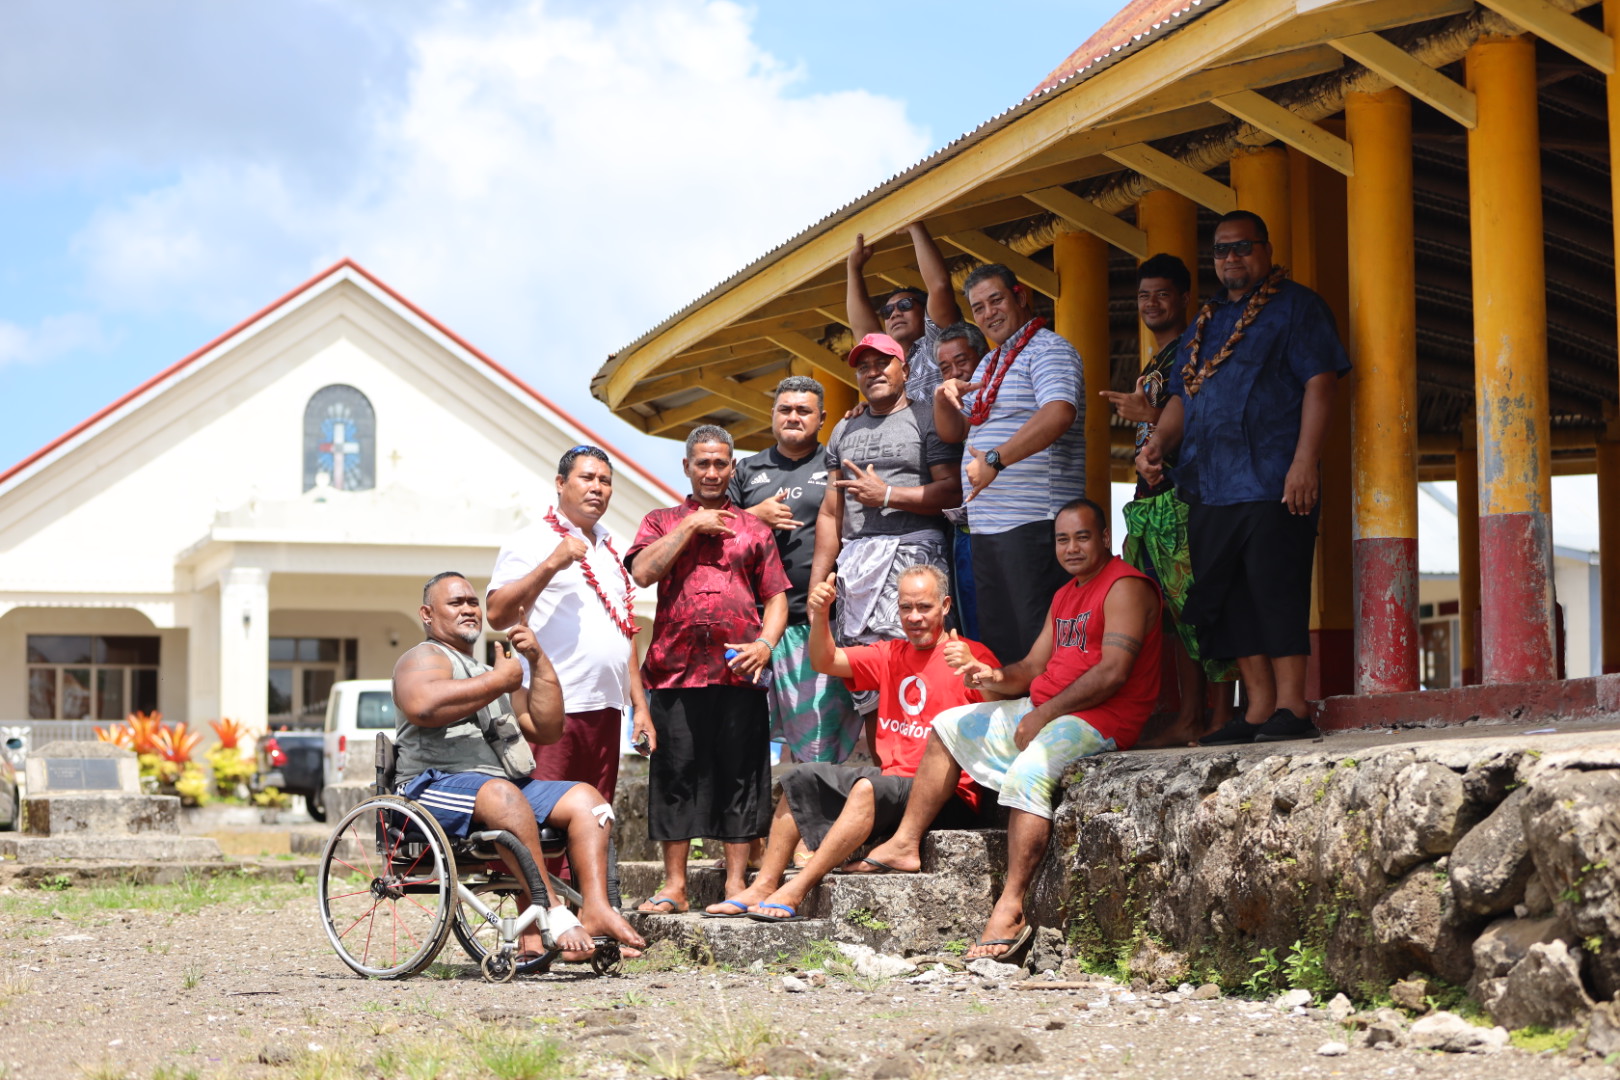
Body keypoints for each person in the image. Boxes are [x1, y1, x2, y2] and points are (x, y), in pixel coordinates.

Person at [860, 499, 1161, 962]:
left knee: (1028, 773)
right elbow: (1034, 666)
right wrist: (991, 676)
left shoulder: (1125, 587)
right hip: (1050, 705)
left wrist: (1042, 715)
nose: (1072, 547)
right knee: (949, 724)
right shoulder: (1066, 595)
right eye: (1062, 539)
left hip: (1103, 717)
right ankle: (905, 842)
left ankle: (1012, 905)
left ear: (1105, 537)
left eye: (1083, 536)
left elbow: (1113, 673)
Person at [1137, 211, 1351, 745]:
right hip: (1208, 483)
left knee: (1274, 590)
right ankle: (1256, 709)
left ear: (1266, 249)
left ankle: (1292, 707)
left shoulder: (1299, 307)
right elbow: (1185, 396)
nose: (1231, 258)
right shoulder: (1205, 322)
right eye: (1221, 251)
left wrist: (1305, 461)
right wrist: (1158, 442)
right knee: (1225, 595)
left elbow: (1321, 386)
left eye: (1242, 247)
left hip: (1273, 478)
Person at [701, 564, 998, 921]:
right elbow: (824, 660)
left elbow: (1001, 705)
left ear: (946, 606)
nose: (914, 617)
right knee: (801, 777)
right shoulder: (890, 653)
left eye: (925, 607)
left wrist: (978, 672)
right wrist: (821, 615)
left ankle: (798, 888)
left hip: (945, 799)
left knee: (867, 786)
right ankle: (765, 883)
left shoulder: (969, 654)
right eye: (906, 608)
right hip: (893, 785)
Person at [391, 571, 645, 961]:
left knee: (587, 801)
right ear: (427, 614)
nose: (468, 609)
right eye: (455, 603)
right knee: (503, 793)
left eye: (472, 602)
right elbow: (422, 705)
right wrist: (499, 680)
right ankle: (555, 915)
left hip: (497, 789)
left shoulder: (488, 673)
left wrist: (537, 662)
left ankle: (595, 910)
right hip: (431, 787)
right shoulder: (423, 657)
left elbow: (547, 727)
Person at [625, 425, 791, 913]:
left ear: (732, 467)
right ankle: (673, 885)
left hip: (739, 673)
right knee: (675, 776)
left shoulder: (755, 529)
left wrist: (765, 642)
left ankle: (736, 883)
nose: (713, 471)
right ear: (687, 467)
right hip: (674, 673)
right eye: (703, 463)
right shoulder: (660, 521)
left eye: (722, 463)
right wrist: (691, 527)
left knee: (741, 776)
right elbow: (642, 573)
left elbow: (777, 597)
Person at [485, 445, 648, 901]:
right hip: (553, 711)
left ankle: (588, 921)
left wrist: (640, 705)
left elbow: (624, 630)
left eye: (605, 480)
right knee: (541, 820)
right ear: (561, 484)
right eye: (587, 478)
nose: (598, 488)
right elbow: (497, 613)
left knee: (595, 820)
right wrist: (553, 561)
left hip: (605, 711)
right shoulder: (531, 540)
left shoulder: (612, 545)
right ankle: (536, 925)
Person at [1100, 255, 1237, 747]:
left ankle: (1221, 714)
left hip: (1191, 499)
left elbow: (1209, 415)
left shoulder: (1198, 350)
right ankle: (1188, 716)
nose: (1151, 304)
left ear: (1184, 298)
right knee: (1171, 620)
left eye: (1161, 294)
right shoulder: (1157, 360)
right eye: (1143, 295)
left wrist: (1150, 413)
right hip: (1153, 502)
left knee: (1204, 607)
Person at [935, 263, 1085, 666]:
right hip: (988, 528)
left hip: (1034, 523)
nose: (988, 313)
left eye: (996, 300)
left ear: (1020, 297)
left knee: (1039, 645)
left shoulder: (1049, 348)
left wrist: (996, 460)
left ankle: (1049, 727)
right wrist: (941, 395)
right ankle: (1015, 727)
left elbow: (1059, 413)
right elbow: (953, 432)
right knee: (1003, 645)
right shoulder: (990, 363)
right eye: (978, 307)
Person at [810, 333, 962, 716]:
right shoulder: (844, 429)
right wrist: (818, 585)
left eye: (882, 364)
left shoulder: (927, 417)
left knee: (918, 668)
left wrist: (889, 495)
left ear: (905, 370)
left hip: (914, 557)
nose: (873, 372)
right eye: (864, 367)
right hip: (856, 566)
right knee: (866, 678)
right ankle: (884, 771)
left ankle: (919, 769)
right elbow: (831, 514)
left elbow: (953, 492)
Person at [727, 376, 860, 764]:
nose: (793, 417)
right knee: (742, 744)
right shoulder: (747, 470)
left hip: (817, 624)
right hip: (755, 630)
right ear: (772, 416)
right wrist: (755, 516)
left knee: (816, 747)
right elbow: (710, 533)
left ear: (822, 418)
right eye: (785, 409)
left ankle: (810, 822)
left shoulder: (835, 465)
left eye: (803, 410)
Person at [846, 222, 963, 404]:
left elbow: (939, 286)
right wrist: (853, 268)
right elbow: (864, 330)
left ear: (925, 311)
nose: (894, 314)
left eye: (905, 305)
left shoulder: (939, 340)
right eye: (887, 311)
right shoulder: (890, 362)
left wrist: (915, 227)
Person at [933, 323, 989, 641]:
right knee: (974, 635)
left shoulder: (1006, 387)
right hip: (968, 530)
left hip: (1011, 529)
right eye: (945, 368)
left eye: (962, 361)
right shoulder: (954, 401)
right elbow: (951, 433)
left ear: (983, 356)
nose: (955, 372)